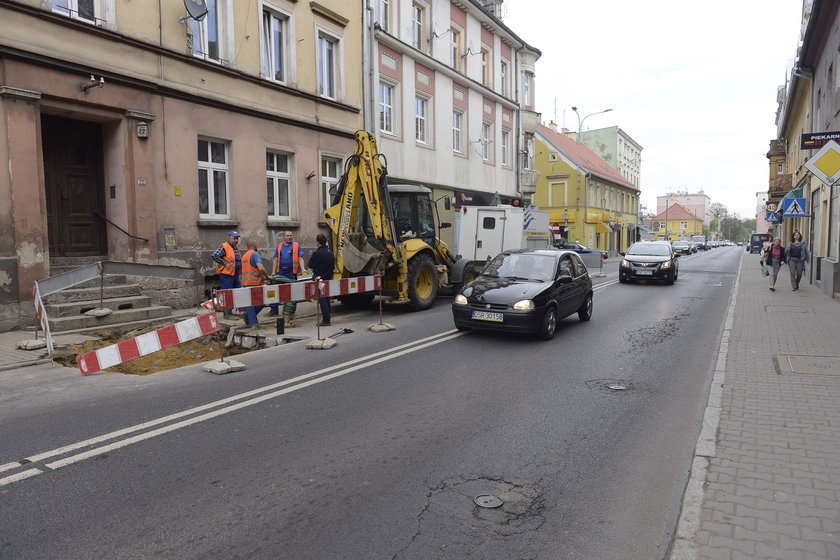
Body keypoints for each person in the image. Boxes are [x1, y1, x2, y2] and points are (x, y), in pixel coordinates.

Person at [272, 230, 307, 326]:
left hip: (291, 274)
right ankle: (281, 312)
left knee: (293, 295)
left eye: (291, 235)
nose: (289, 237)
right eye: (287, 235)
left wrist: (303, 269)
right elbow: (275, 259)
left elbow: (300, 258)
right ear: (284, 236)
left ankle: (290, 314)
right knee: (280, 294)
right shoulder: (279, 246)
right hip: (281, 274)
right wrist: (273, 272)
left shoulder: (296, 246)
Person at [240, 239, 271, 326]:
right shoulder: (255, 254)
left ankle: (248, 317)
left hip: (246, 282)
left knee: (251, 304)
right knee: (260, 302)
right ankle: (253, 323)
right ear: (254, 245)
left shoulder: (244, 256)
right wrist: (267, 276)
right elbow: (260, 268)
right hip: (255, 283)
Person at [212, 231, 241, 318]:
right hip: (227, 274)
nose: (236, 240)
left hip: (234, 274)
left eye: (237, 238)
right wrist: (223, 263)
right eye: (234, 238)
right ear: (228, 238)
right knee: (227, 293)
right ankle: (227, 313)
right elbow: (214, 255)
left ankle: (235, 311)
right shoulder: (225, 247)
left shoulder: (235, 247)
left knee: (238, 291)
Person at [308, 233, 335, 326]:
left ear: (318, 243)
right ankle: (328, 317)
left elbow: (310, 264)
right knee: (327, 299)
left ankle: (326, 320)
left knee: (322, 300)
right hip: (328, 278)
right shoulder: (330, 253)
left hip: (320, 279)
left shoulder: (317, 253)